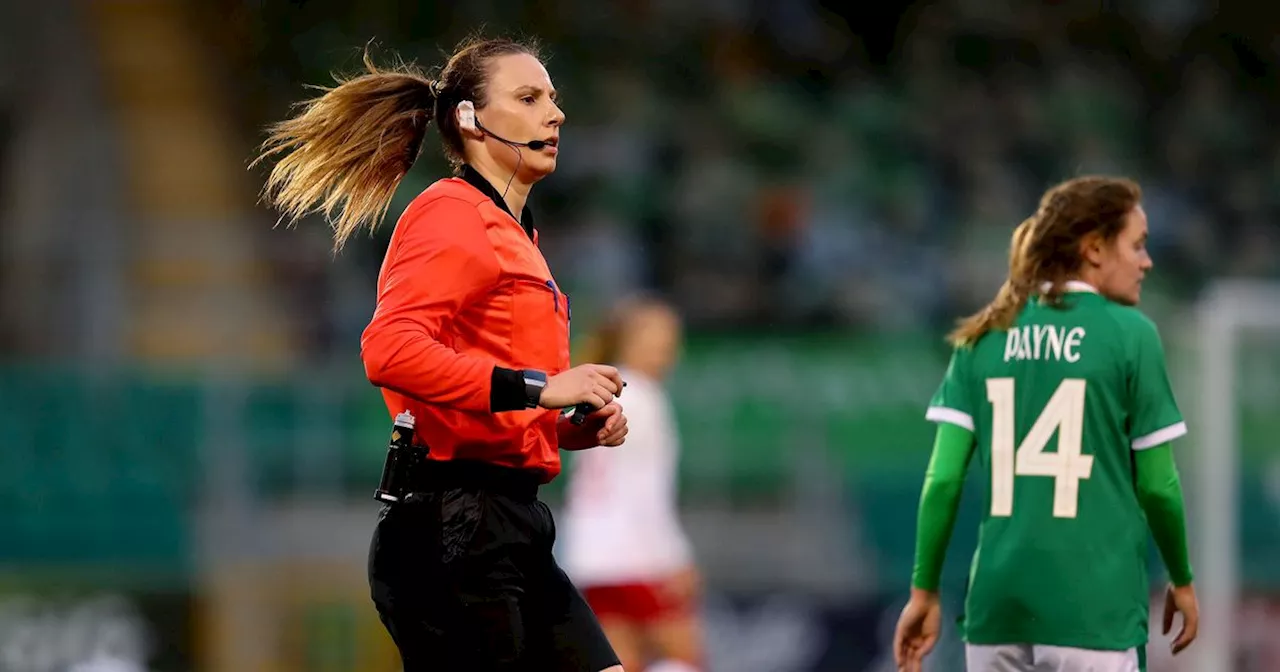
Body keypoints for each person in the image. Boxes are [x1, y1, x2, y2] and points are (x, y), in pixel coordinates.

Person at [253, 35, 631, 672]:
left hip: (512, 525)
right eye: (529, 97)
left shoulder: (516, 230)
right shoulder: (451, 213)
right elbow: (390, 350)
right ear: (468, 118)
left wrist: (565, 432)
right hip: (454, 532)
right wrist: (542, 389)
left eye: (554, 98)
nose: (555, 113)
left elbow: (477, 390)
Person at [892, 176, 1199, 672]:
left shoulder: (982, 336)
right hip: (1093, 611)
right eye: (1138, 246)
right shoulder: (1131, 337)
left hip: (997, 612)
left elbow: (943, 481)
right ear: (1094, 249)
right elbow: (1159, 486)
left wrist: (923, 591)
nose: (1148, 262)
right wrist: (1181, 579)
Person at [559, 297, 704, 672]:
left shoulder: (599, 389)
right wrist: (676, 557)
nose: (668, 350)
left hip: (590, 554)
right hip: (636, 556)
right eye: (658, 339)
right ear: (630, 341)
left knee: (620, 662)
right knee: (684, 657)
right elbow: (644, 491)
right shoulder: (642, 395)